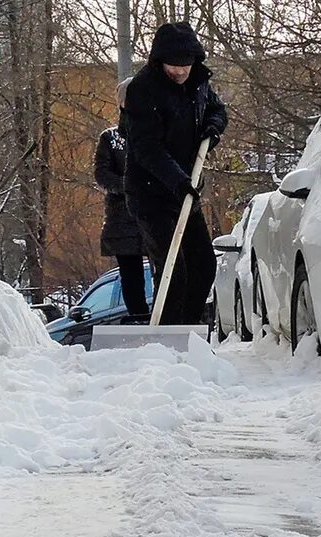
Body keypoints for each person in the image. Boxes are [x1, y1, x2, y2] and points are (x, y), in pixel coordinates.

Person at [123, 22, 227, 325]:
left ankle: (187, 331)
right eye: (174, 65)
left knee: (204, 265)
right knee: (173, 270)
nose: (180, 72)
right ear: (159, 61)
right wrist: (177, 180)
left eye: (186, 64)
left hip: (186, 190)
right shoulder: (143, 89)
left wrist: (214, 127)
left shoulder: (198, 81)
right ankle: (166, 341)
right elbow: (146, 148)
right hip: (151, 193)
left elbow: (217, 110)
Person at [93, 78, 149, 317]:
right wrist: (130, 185)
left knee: (165, 268)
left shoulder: (157, 133)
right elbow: (102, 174)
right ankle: (139, 316)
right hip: (122, 219)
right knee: (130, 273)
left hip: (155, 214)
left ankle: (165, 316)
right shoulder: (110, 138)